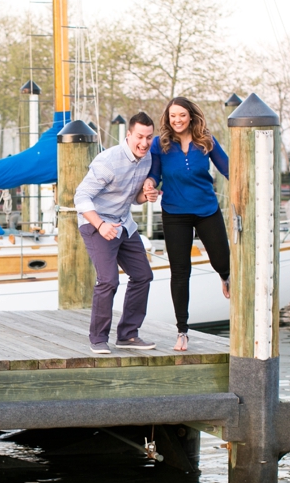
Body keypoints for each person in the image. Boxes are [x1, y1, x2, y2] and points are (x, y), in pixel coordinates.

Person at [144, 97, 230, 352]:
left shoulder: (207, 141)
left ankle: (225, 277)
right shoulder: (160, 144)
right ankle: (182, 331)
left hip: (207, 210)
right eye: (173, 116)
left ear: (191, 116)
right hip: (175, 213)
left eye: (182, 115)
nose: (177, 120)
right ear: (168, 118)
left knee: (223, 261)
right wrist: (149, 184)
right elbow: (154, 174)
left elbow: (228, 169)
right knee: (180, 273)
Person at [74, 111, 160, 354]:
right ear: (129, 134)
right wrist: (100, 225)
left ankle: (128, 335)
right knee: (109, 280)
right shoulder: (108, 160)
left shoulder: (147, 158)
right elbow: (81, 196)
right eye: (140, 137)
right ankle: (98, 338)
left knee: (143, 275)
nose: (144, 143)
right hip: (96, 223)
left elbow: (134, 198)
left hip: (123, 223)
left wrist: (148, 195)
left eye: (149, 137)